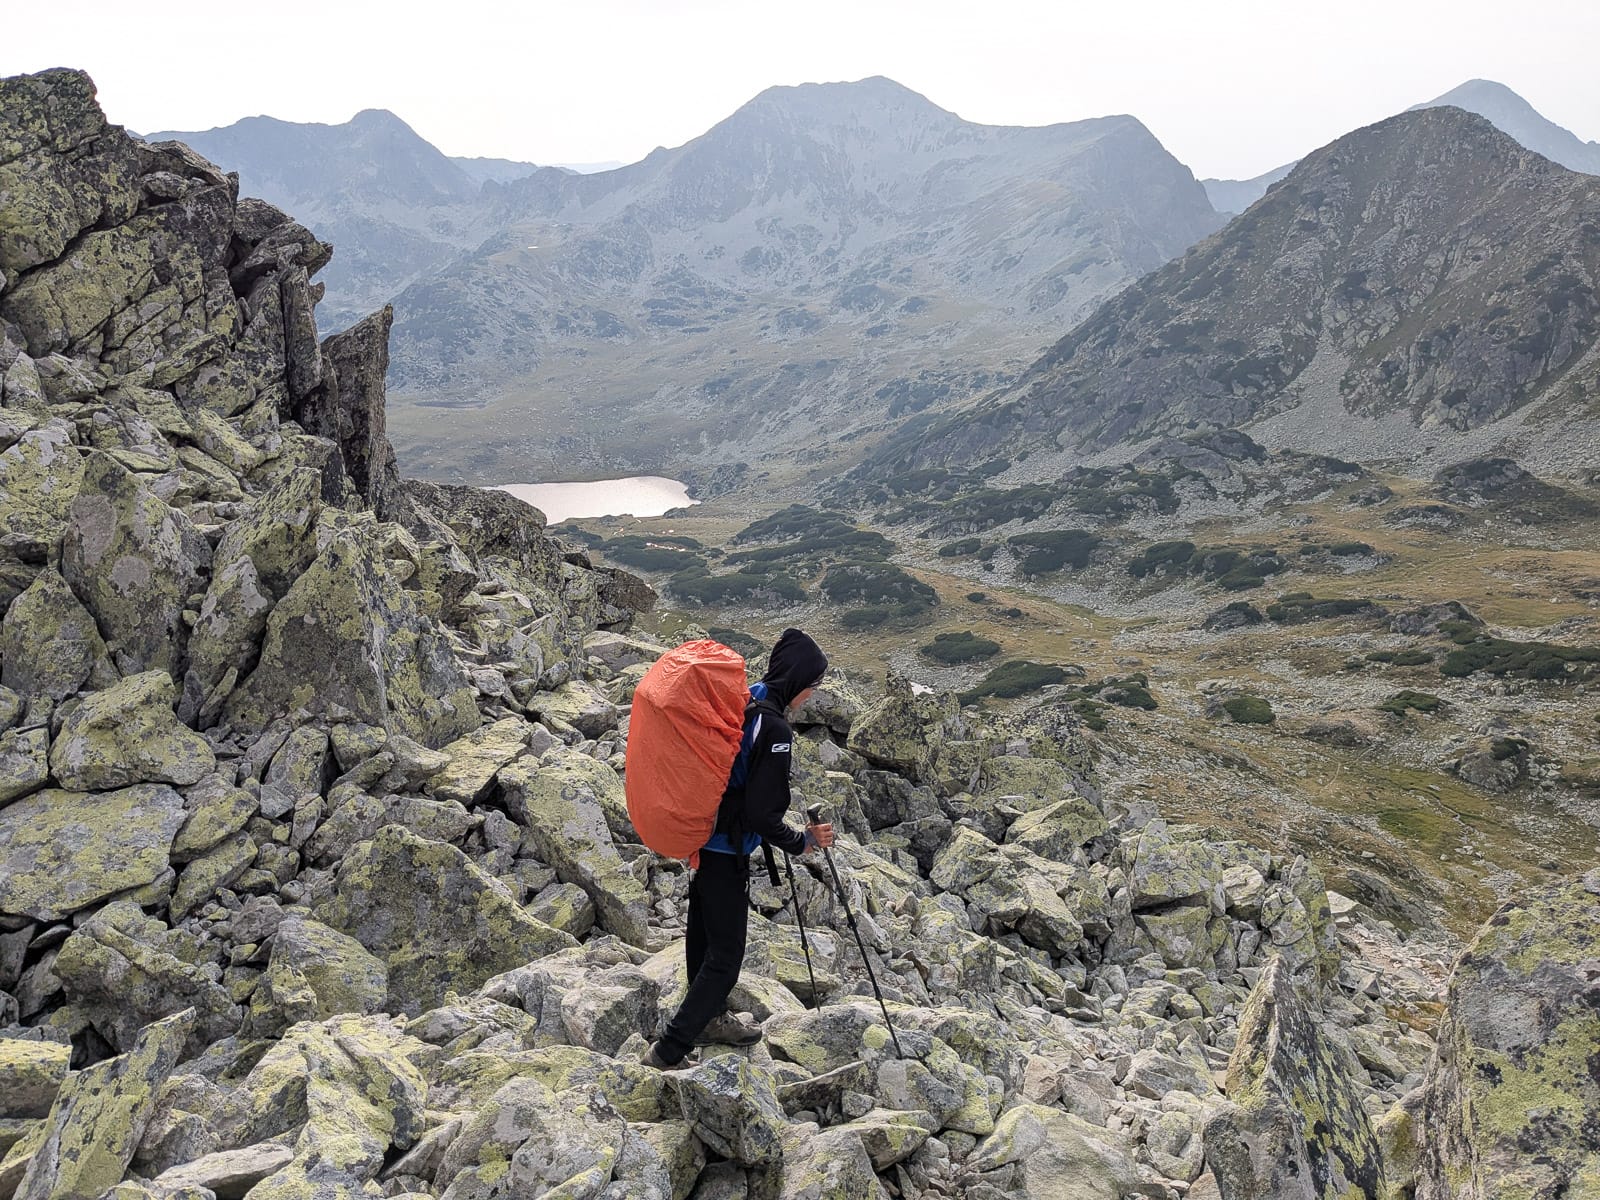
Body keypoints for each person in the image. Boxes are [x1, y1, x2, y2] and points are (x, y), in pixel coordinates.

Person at [642, 628, 836, 1069]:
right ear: (801, 680)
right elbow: (761, 817)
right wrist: (802, 842)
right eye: (815, 684)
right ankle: (669, 1050)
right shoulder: (777, 728)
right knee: (726, 959)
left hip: (701, 835)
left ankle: (709, 1018)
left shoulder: (746, 697)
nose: (813, 694)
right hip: (727, 848)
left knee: (703, 936)